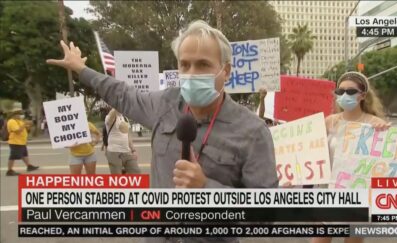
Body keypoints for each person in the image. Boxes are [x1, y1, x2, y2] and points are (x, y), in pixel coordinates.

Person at [48, 20, 278, 242]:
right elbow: (122, 94)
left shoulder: (253, 132)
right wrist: (81, 69)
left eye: (203, 65)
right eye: (184, 64)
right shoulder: (165, 104)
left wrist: (206, 188)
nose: (191, 73)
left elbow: (266, 215)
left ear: (225, 71)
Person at [311, 71, 390, 243]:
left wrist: (383, 134)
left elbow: (385, 162)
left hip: (357, 193)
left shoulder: (373, 124)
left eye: (351, 91)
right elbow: (311, 153)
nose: (344, 95)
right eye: (340, 92)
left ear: (362, 95)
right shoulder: (329, 121)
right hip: (328, 191)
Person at [104, 108, 140, 174]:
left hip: (127, 151)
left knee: (136, 172)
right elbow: (111, 116)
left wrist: (133, 150)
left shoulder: (125, 118)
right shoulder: (109, 117)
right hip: (114, 152)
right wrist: (116, 105)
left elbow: (128, 135)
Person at [5, 108, 39, 176]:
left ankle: (29, 166)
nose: (20, 115)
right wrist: (24, 124)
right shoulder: (11, 121)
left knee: (24, 155)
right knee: (13, 156)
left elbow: (25, 128)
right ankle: (9, 170)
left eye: (20, 114)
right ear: (14, 115)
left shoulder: (19, 121)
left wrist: (30, 125)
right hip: (15, 142)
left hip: (21, 142)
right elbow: (17, 131)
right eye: (18, 114)